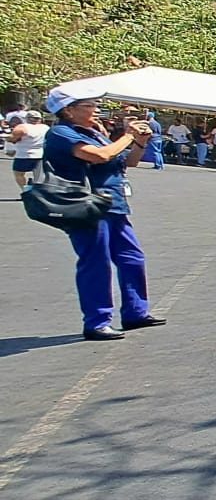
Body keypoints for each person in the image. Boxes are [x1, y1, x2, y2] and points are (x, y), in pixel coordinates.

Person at [42, 85, 165, 340]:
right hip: (85, 205)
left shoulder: (95, 132)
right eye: (89, 105)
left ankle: (135, 312)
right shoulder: (62, 133)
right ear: (68, 110)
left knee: (132, 258)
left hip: (113, 203)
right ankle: (97, 321)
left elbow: (127, 162)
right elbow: (100, 156)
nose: (96, 110)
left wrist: (140, 142)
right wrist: (128, 136)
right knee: (95, 263)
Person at [10, 110, 48, 189]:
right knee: (39, 177)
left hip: (24, 155)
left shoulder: (22, 127)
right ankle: (38, 192)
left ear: (27, 118)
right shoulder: (46, 127)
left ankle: (25, 189)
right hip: (40, 155)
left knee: (19, 174)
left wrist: (11, 139)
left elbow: (13, 138)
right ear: (40, 119)